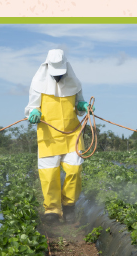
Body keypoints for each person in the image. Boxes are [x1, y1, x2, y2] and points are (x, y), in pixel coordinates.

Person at [25, 49, 93, 223]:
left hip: (72, 135)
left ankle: (69, 205)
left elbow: (78, 106)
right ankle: (52, 210)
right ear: (47, 68)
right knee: (49, 174)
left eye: (61, 74)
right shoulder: (37, 83)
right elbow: (32, 107)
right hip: (48, 136)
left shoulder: (74, 83)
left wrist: (83, 106)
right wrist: (34, 113)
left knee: (75, 170)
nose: (58, 78)